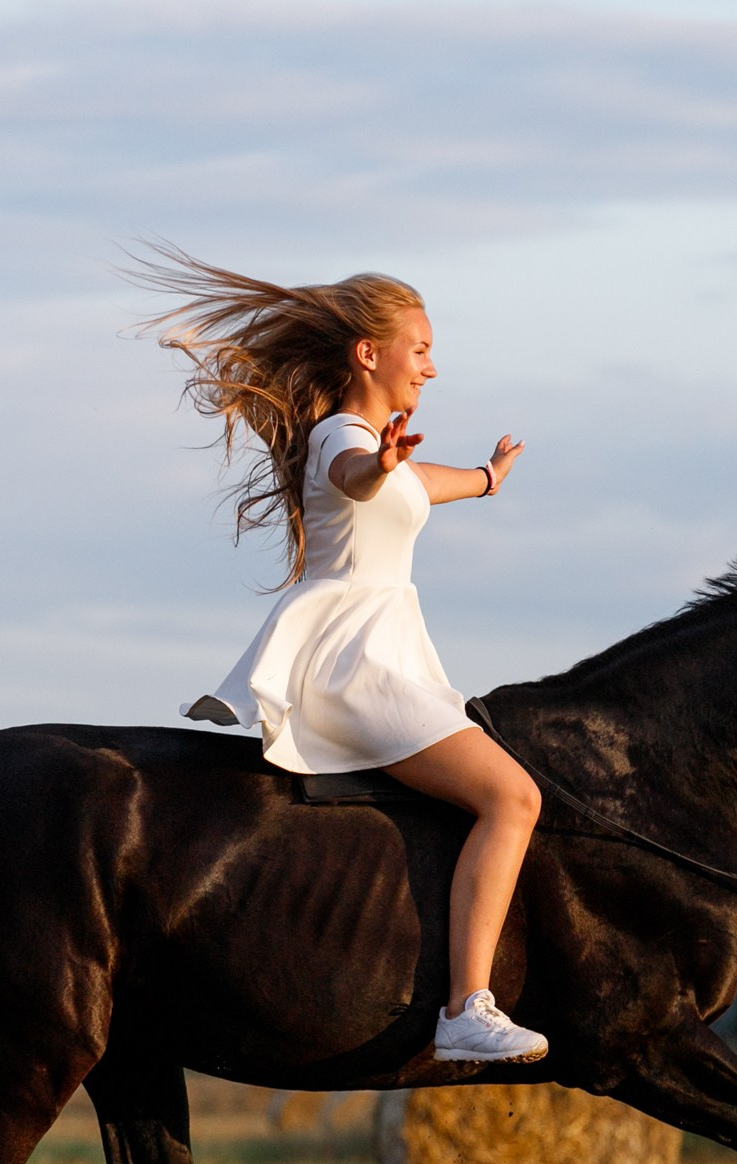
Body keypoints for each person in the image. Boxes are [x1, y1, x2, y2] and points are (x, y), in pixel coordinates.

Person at [135, 248, 547, 1063]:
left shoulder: (384, 449)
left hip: (385, 652)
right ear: (370, 353)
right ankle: (466, 1007)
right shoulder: (340, 439)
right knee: (514, 799)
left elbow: (417, 483)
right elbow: (362, 478)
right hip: (354, 661)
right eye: (419, 348)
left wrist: (486, 478)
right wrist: (382, 463)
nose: (431, 365)